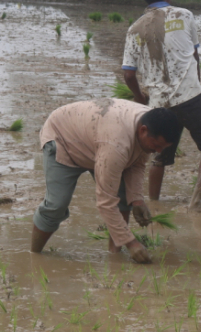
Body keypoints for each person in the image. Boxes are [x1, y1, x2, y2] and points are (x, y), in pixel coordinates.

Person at [31, 99, 182, 263]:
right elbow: (106, 202)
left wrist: (137, 200)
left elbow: (137, 164)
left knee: (123, 196)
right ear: (143, 130)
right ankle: (33, 255)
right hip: (64, 138)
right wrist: (131, 243)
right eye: (156, 145)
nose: (157, 151)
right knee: (56, 205)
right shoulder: (116, 144)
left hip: (95, 140)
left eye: (163, 148)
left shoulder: (150, 123)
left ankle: (114, 255)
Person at [122, 0, 201, 207]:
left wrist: (140, 98)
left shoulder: (134, 29)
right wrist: (196, 85)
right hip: (190, 97)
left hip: (158, 103)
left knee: (159, 154)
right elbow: (195, 55)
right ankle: (195, 201)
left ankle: (154, 203)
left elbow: (129, 74)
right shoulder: (183, 15)